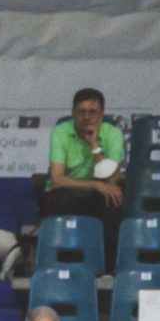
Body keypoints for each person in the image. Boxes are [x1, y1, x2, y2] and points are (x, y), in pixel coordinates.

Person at [39, 87, 128, 263]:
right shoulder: (60, 131)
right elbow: (57, 179)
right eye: (81, 112)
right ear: (73, 113)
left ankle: (107, 266)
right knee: (60, 198)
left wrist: (94, 144)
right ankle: (63, 263)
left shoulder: (113, 133)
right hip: (69, 191)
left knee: (114, 197)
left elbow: (110, 179)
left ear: (101, 114)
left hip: (98, 195)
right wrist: (95, 184)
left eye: (92, 112)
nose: (86, 117)